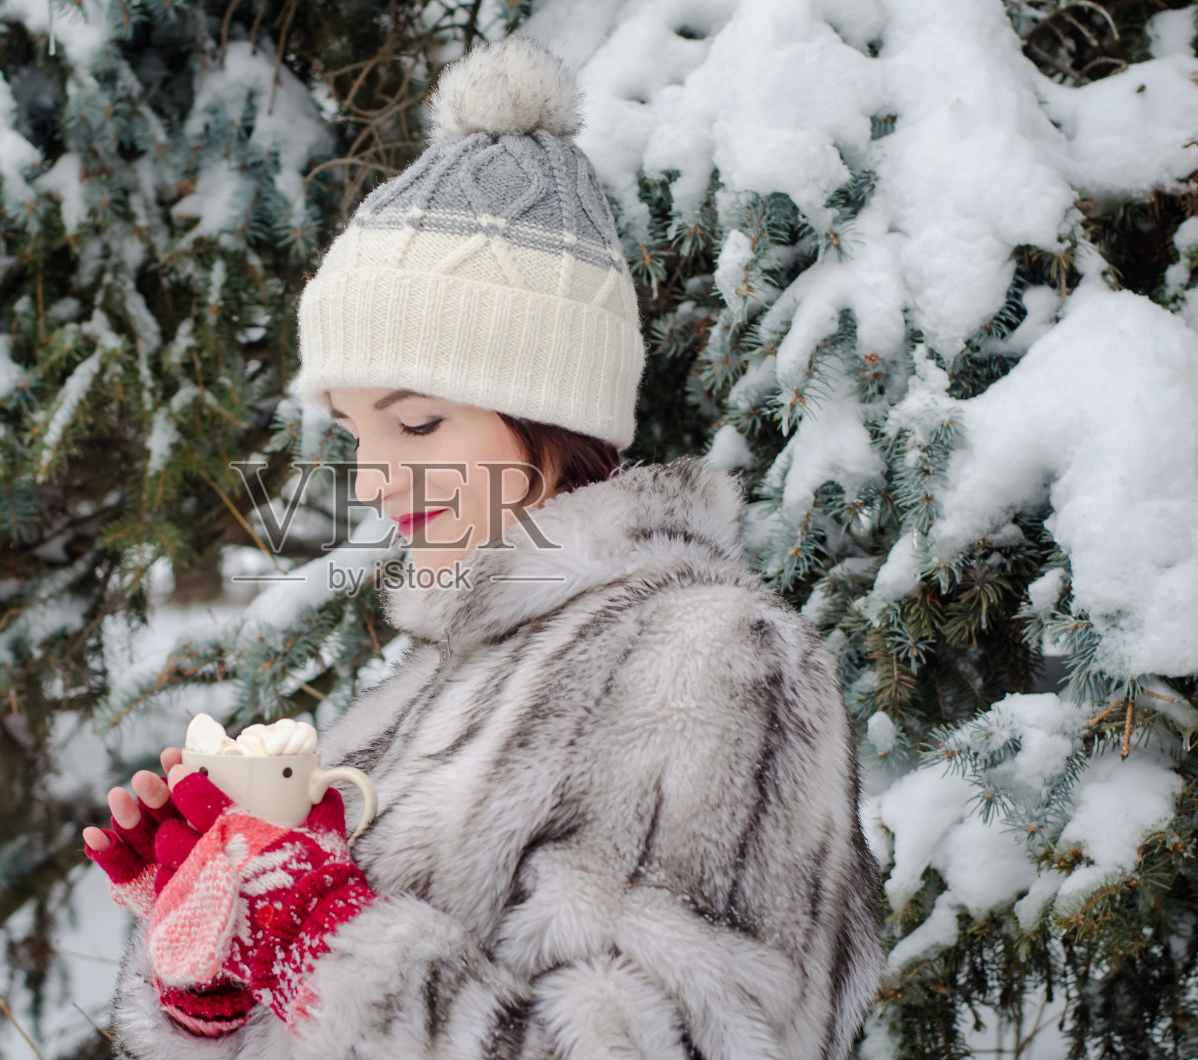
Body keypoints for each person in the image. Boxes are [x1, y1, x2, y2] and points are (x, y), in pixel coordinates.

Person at [82, 33, 884, 1059]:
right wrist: (215, 959)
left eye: (416, 424)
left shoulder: (714, 662)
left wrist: (319, 938)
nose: (373, 479)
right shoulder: (424, 687)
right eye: (355, 432)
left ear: (548, 414)